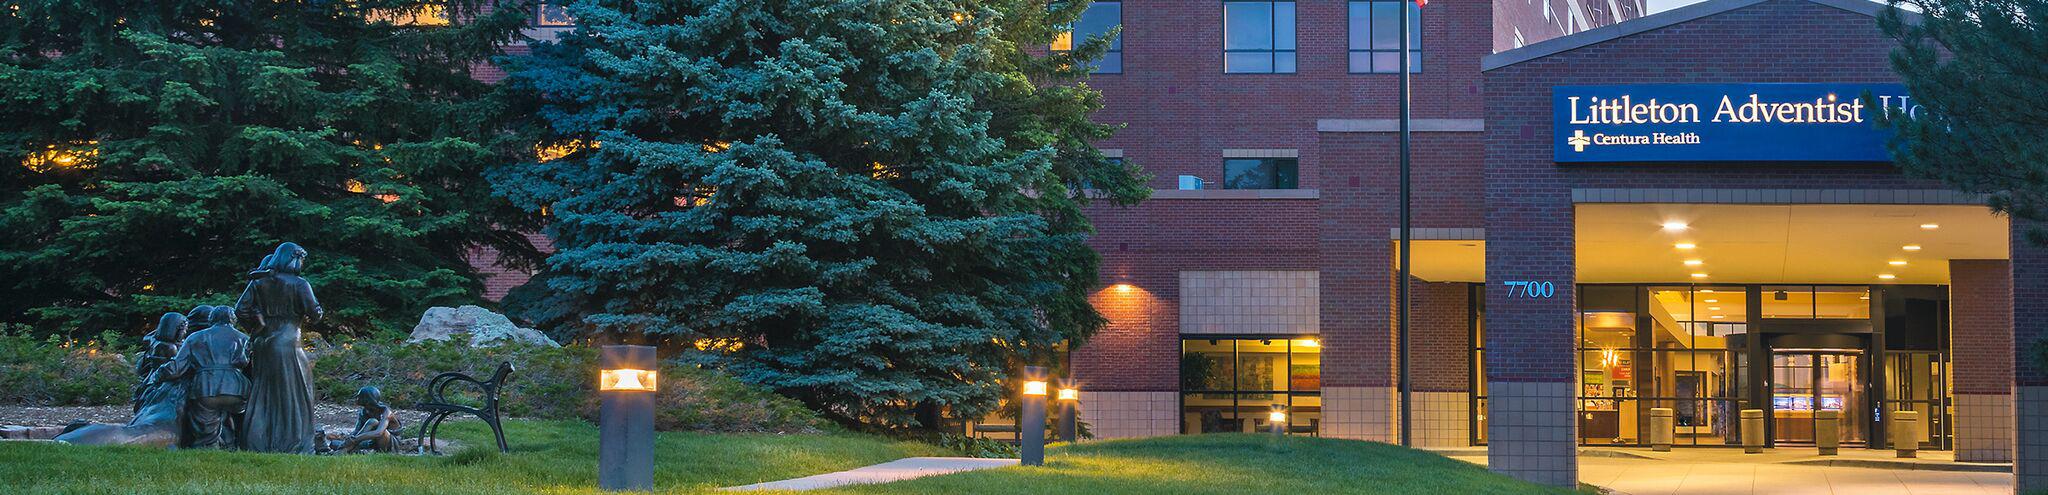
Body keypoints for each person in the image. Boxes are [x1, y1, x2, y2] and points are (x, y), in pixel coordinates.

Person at [236, 242, 323, 453]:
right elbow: (315, 313)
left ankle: (258, 443)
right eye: (301, 259)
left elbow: (240, 310)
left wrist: (257, 327)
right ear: (293, 258)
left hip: (262, 343)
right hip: (288, 342)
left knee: (263, 393)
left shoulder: (259, 282)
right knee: (295, 393)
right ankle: (294, 443)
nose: (302, 264)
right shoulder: (299, 284)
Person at [160, 306, 251, 449]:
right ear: (233, 320)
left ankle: (209, 448)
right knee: (237, 416)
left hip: (206, 388)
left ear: (211, 319)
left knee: (206, 427)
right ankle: (234, 445)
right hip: (238, 390)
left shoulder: (196, 337)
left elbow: (177, 367)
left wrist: (160, 373)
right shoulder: (244, 338)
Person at [132, 312, 189, 414]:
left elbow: (148, 336)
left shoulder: (153, 340)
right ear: (177, 329)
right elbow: (174, 368)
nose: (185, 332)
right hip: (163, 380)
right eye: (184, 329)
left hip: (151, 377)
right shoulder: (169, 347)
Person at [321, 386, 398, 454]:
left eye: (359, 397)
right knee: (334, 443)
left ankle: (347, 450)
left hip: (389, 442)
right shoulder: (364, 412)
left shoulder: (386, 412)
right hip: (371, 441)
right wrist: (349, 440)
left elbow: (379, 433)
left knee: (373, 421)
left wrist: (354, 440)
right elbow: (357, 431)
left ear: (367, 399)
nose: (356, 398)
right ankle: (350, 449)